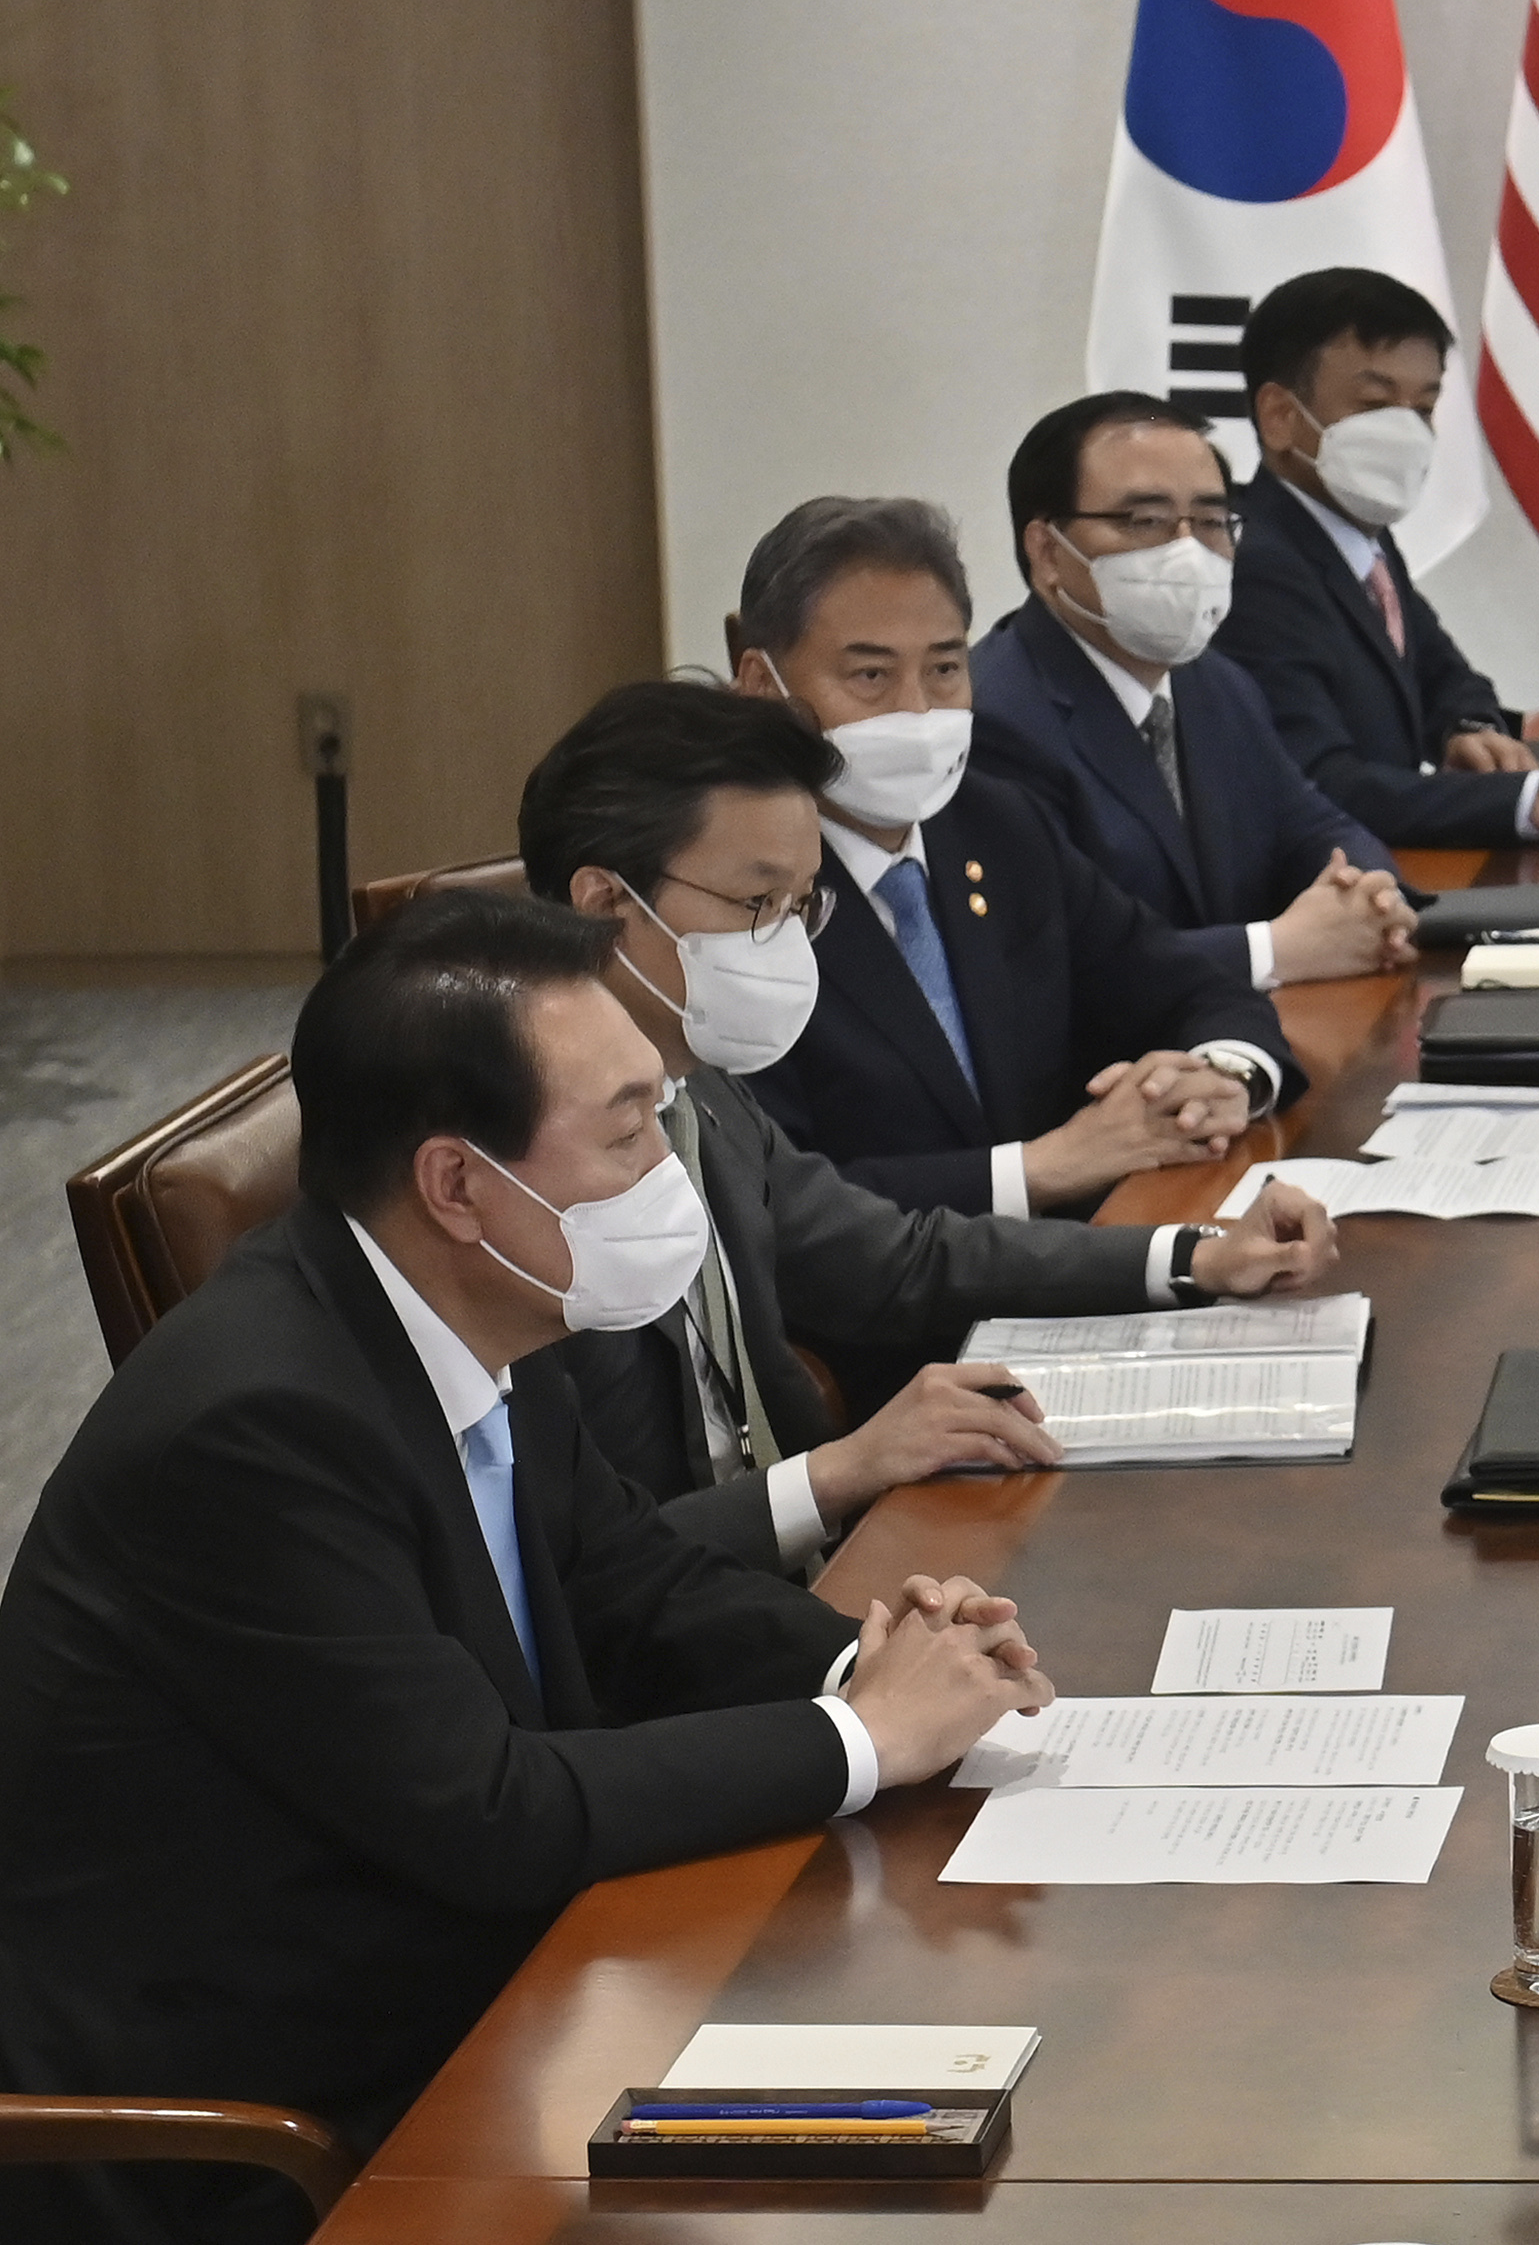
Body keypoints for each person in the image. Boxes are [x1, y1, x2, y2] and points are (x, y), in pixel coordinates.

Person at [0, 894, 1056, 2245]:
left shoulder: (474, 1312)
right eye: (625, 1129)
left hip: (487, 1988)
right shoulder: (258, 1425)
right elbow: (487, 1810)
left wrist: (874, 1655)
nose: (666, 1168)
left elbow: (633, 1585)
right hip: (271, 2121)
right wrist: (863, 1735)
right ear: (457, 1182)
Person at [518, 678, 1344, 1501]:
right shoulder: (519, 1164)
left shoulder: (700, 1091)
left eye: (799, 907)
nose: (785, 944)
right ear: (607, 903)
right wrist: (844, 1469)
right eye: (755, 903)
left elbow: (898, 1261)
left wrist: (1199, 1255)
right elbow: (587, 1570)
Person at [729, 496, 1296, 1220]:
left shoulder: (997, 825)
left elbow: (1188, 986)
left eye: (943, 669)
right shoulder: (730, 894)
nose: (919, 711)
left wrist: (1221, 1077)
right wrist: (1034, 1172)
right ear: (760, 685)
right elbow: (770, 1197)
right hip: (878, 1318)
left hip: (1077, 1272)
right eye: (871, 677)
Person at [971, 388, 1420, 991]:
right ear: (1047, 551)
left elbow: (1313, 827)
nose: (1187, 550)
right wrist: (1273, 950)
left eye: (1211, 521)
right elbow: (1056, 960)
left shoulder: (1217, 683)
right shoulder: (994, 718)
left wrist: (1367, 896)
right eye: (1145, 520)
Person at [1212, 266, 1539, 850]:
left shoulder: (1357, 537)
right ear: (1280, 415)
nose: (1406, 433)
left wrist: (1467, 727)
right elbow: (1320, 785)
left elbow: (1441, 671)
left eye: (1424, 408)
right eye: (1375, 404)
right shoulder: (1256, 564)